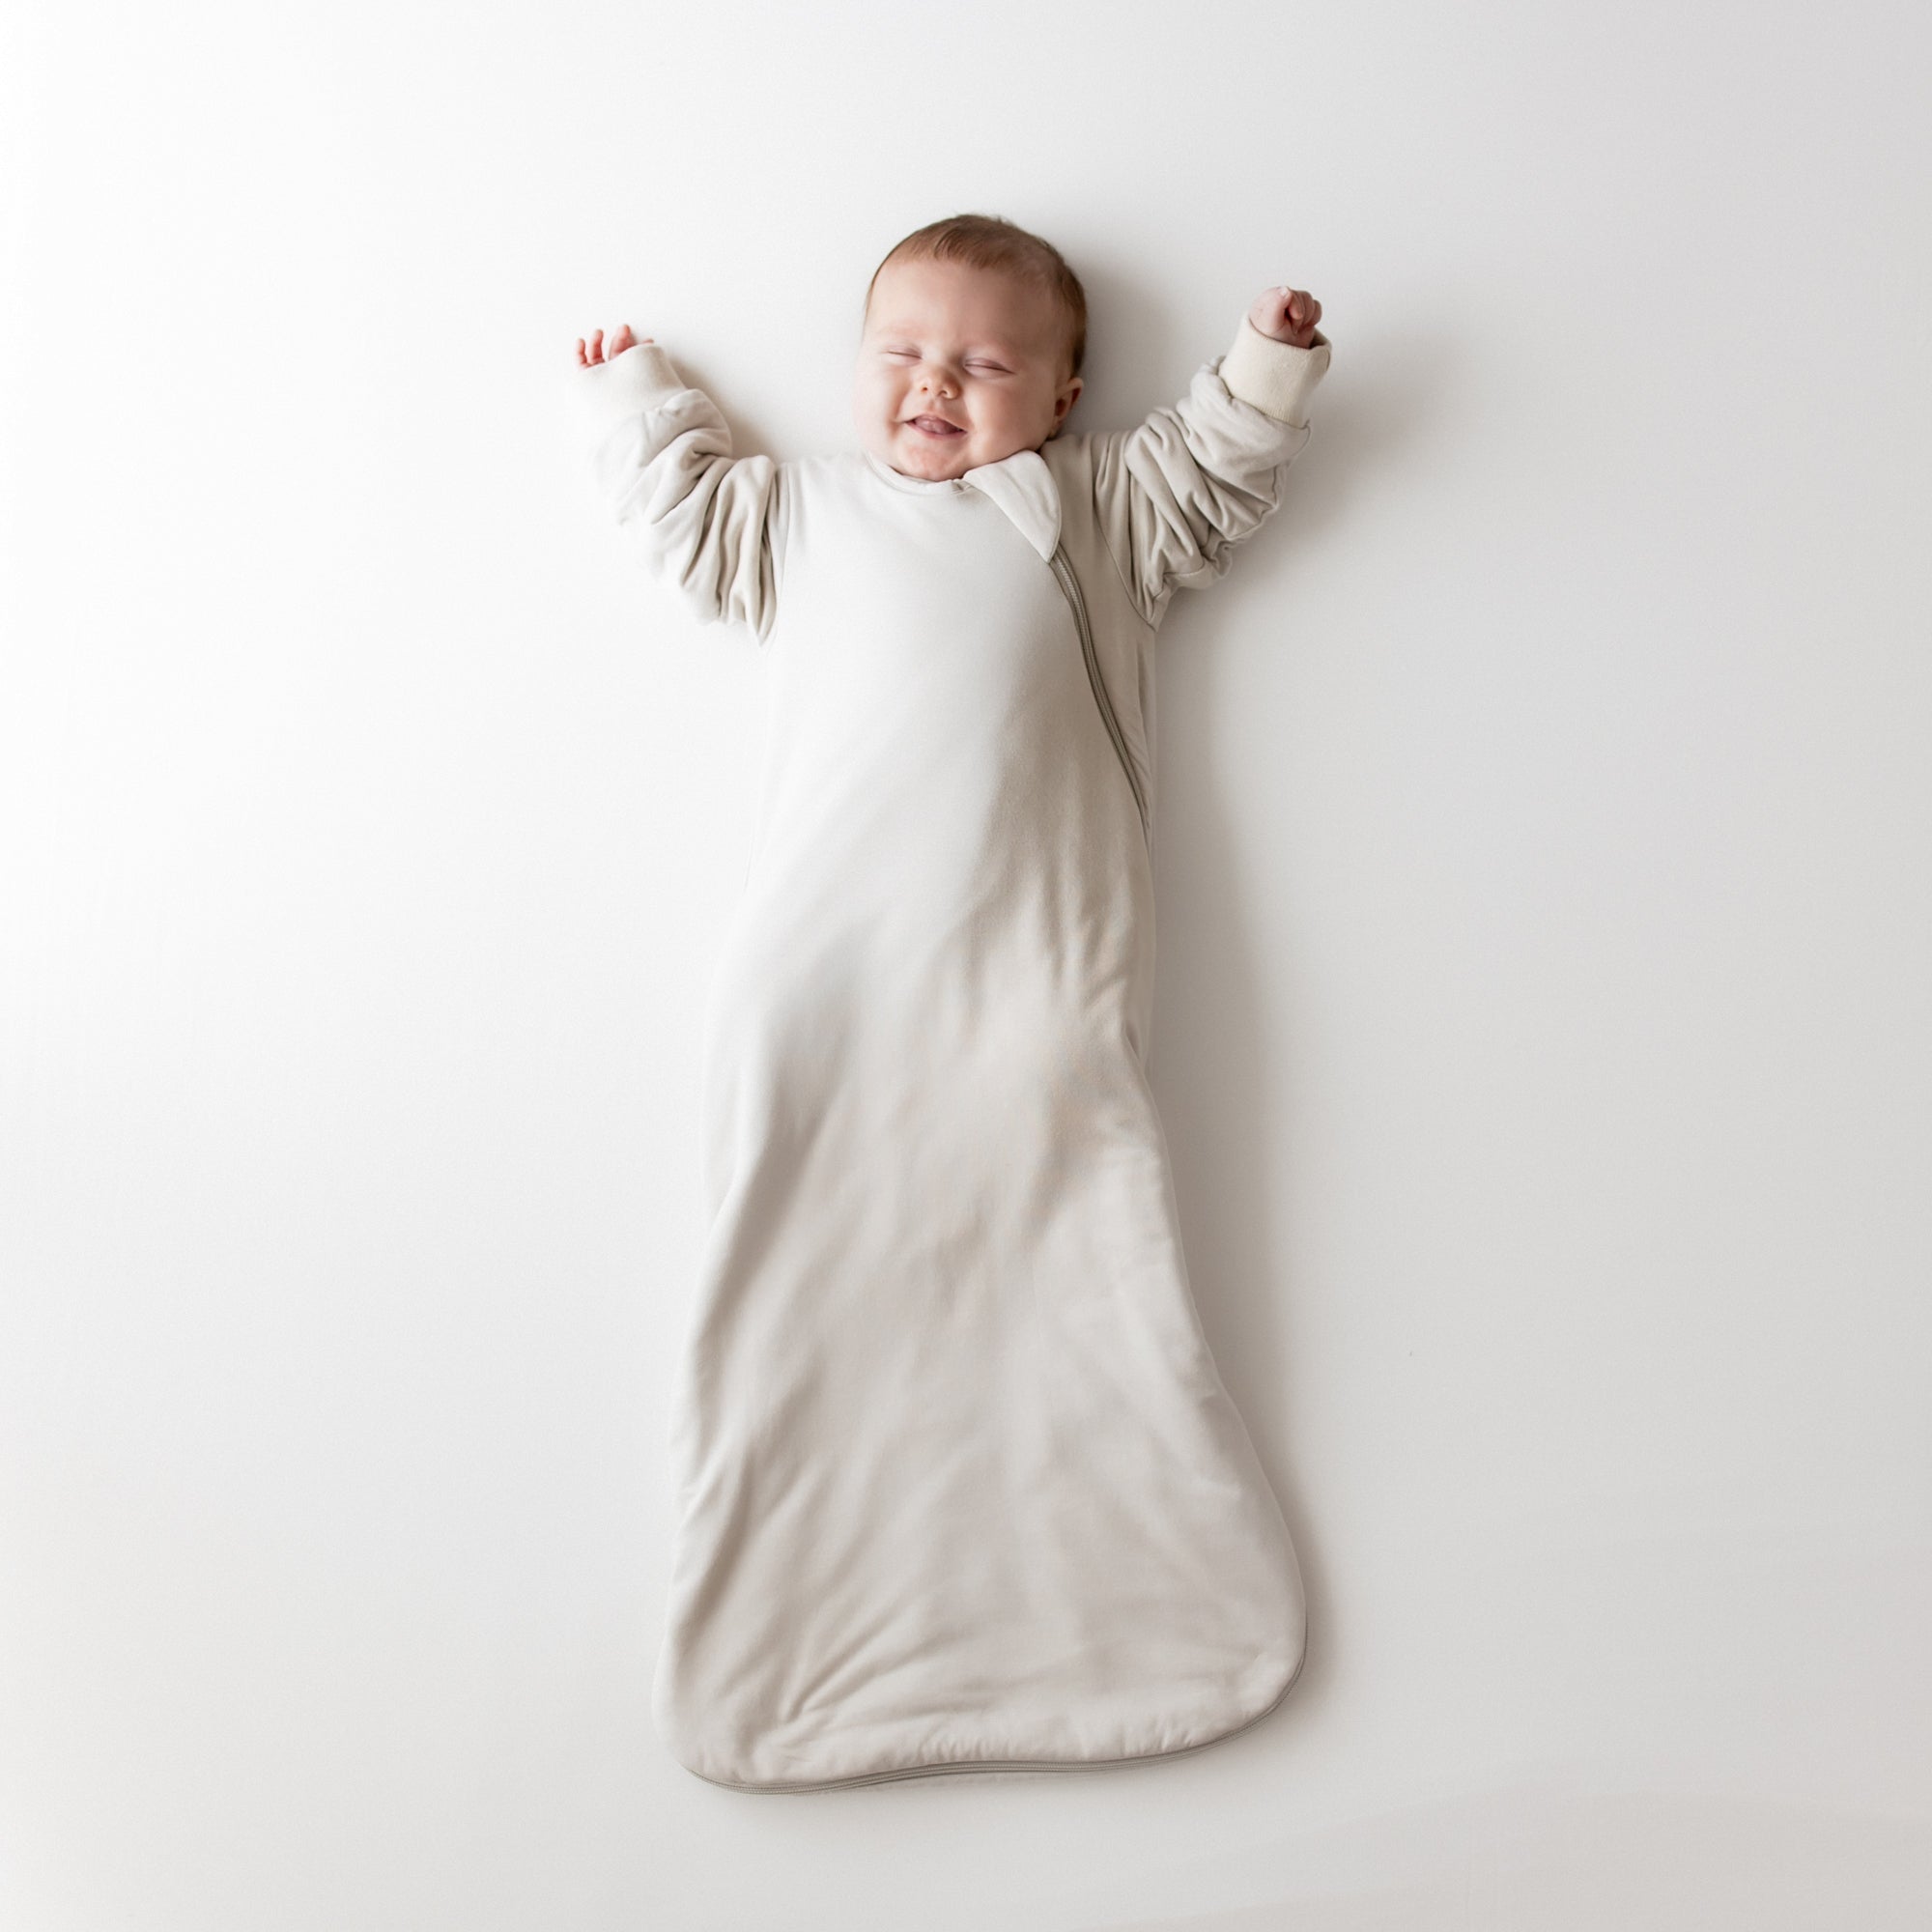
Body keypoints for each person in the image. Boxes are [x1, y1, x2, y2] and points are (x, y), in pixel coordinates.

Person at [570, 213, 1331, 1792]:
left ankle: (1127, 1596)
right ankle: (789, 1621)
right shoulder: (804, 514)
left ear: (1057, 397)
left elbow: (1211, 473)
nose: (936, 386)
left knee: (1062, 1237)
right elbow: (688, 521)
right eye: (903, 355)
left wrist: (1265, 366)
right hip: (820, 975)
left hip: (1028, 973)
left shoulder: (1095, 512)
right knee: (805, 1256)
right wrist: (637, 395)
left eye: (984, 364)